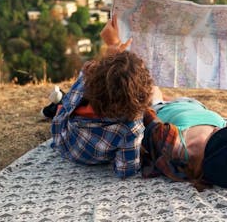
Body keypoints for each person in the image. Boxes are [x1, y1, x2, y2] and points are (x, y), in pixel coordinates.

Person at [140, 22, 227, 190]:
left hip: (158, 107)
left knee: (151, 89)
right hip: (188, 106)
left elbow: (138, 105)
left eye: (219, 134)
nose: (221, 128)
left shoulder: (173, 145)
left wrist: (116, 53)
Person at [51, 15, 154, 178]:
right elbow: (126, 170)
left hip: (64, 145)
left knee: (63, 105)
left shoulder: (86, 80)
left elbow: (64, 111)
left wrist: (112, 48)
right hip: (96, 158)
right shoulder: (131, 128)